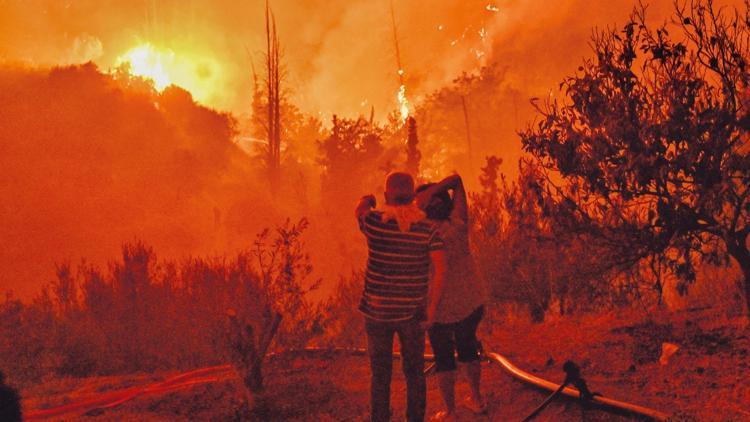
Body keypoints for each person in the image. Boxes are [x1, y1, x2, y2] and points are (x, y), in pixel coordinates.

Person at [356, 171, 446, 422]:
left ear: (387, 195)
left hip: (376, 311)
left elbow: (359, 211)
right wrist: (432, 309)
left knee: (380, 375)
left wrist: (367, 199)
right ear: (413, 196)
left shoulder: (374, 223)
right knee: (415, 372)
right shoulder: (427, 229)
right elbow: (441, 269)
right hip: (412, 313)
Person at [416, 174, 487, 421]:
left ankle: (450, 411)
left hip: (439, 308)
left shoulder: (421, 233)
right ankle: (476, 399)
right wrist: (433, 190)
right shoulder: (457, 224)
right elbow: (457, 179)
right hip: (469, 300)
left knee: (443, 357)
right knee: (468, 348)